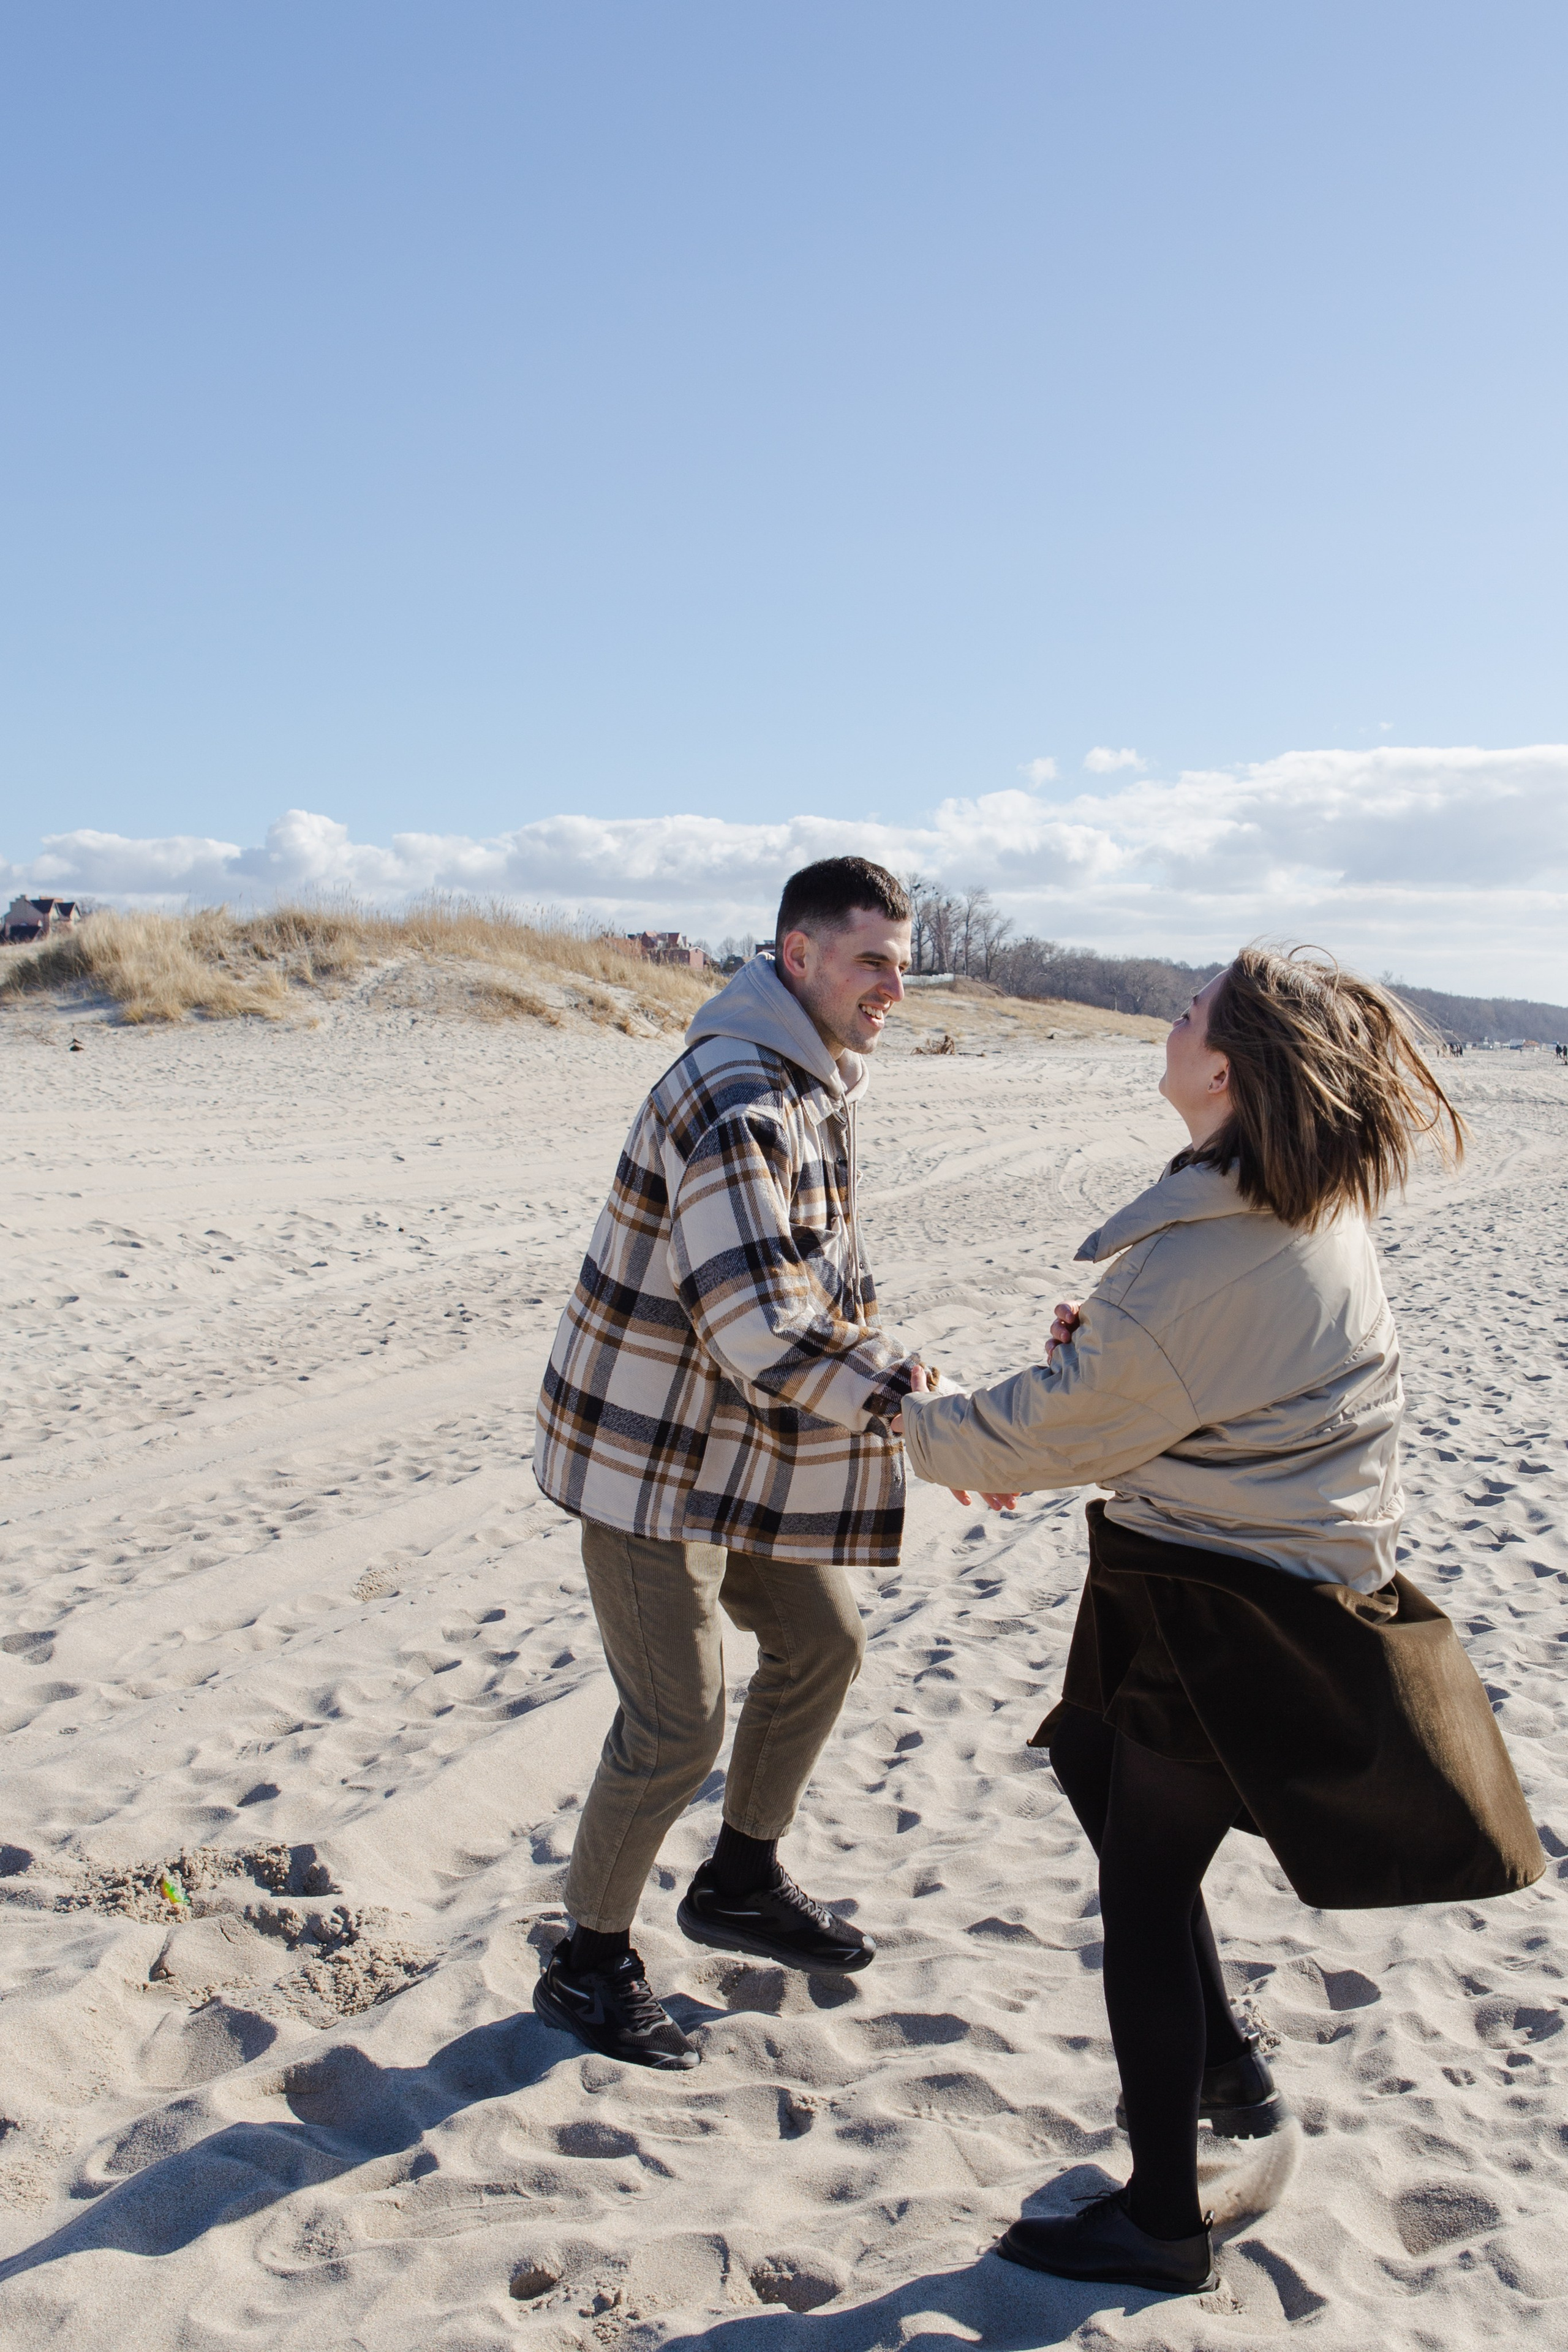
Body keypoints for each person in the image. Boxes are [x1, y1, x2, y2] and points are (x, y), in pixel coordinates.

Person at [895, 946, 1544, 2294]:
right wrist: (1103, 1366)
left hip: (1223, 1603)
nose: (1168, 1018)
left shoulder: (1211, 1255)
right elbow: (1171, 1381)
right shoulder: (1283, 1208)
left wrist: (900, 1416)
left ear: (1226, 1070)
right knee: (1086, 1754)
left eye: (1186, 1010)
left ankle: (1162, 2220)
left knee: (1138, 1892)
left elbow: (1057, 1422)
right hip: (1204, 1569)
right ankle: (1230, 2068)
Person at [531, 857, 925, 2070]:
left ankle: (740, 1878)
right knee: (676, 1724)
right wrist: (910, 1401)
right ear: (794, 956)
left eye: (902, 967)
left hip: (738, 1446)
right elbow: (759, 1325)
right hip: (649, 1455)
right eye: (870, 962)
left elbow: (799, 1293)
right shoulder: (739, 1095)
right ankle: (587, 1963)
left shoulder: (808, 1081)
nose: (891, 993)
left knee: (822, 1640)